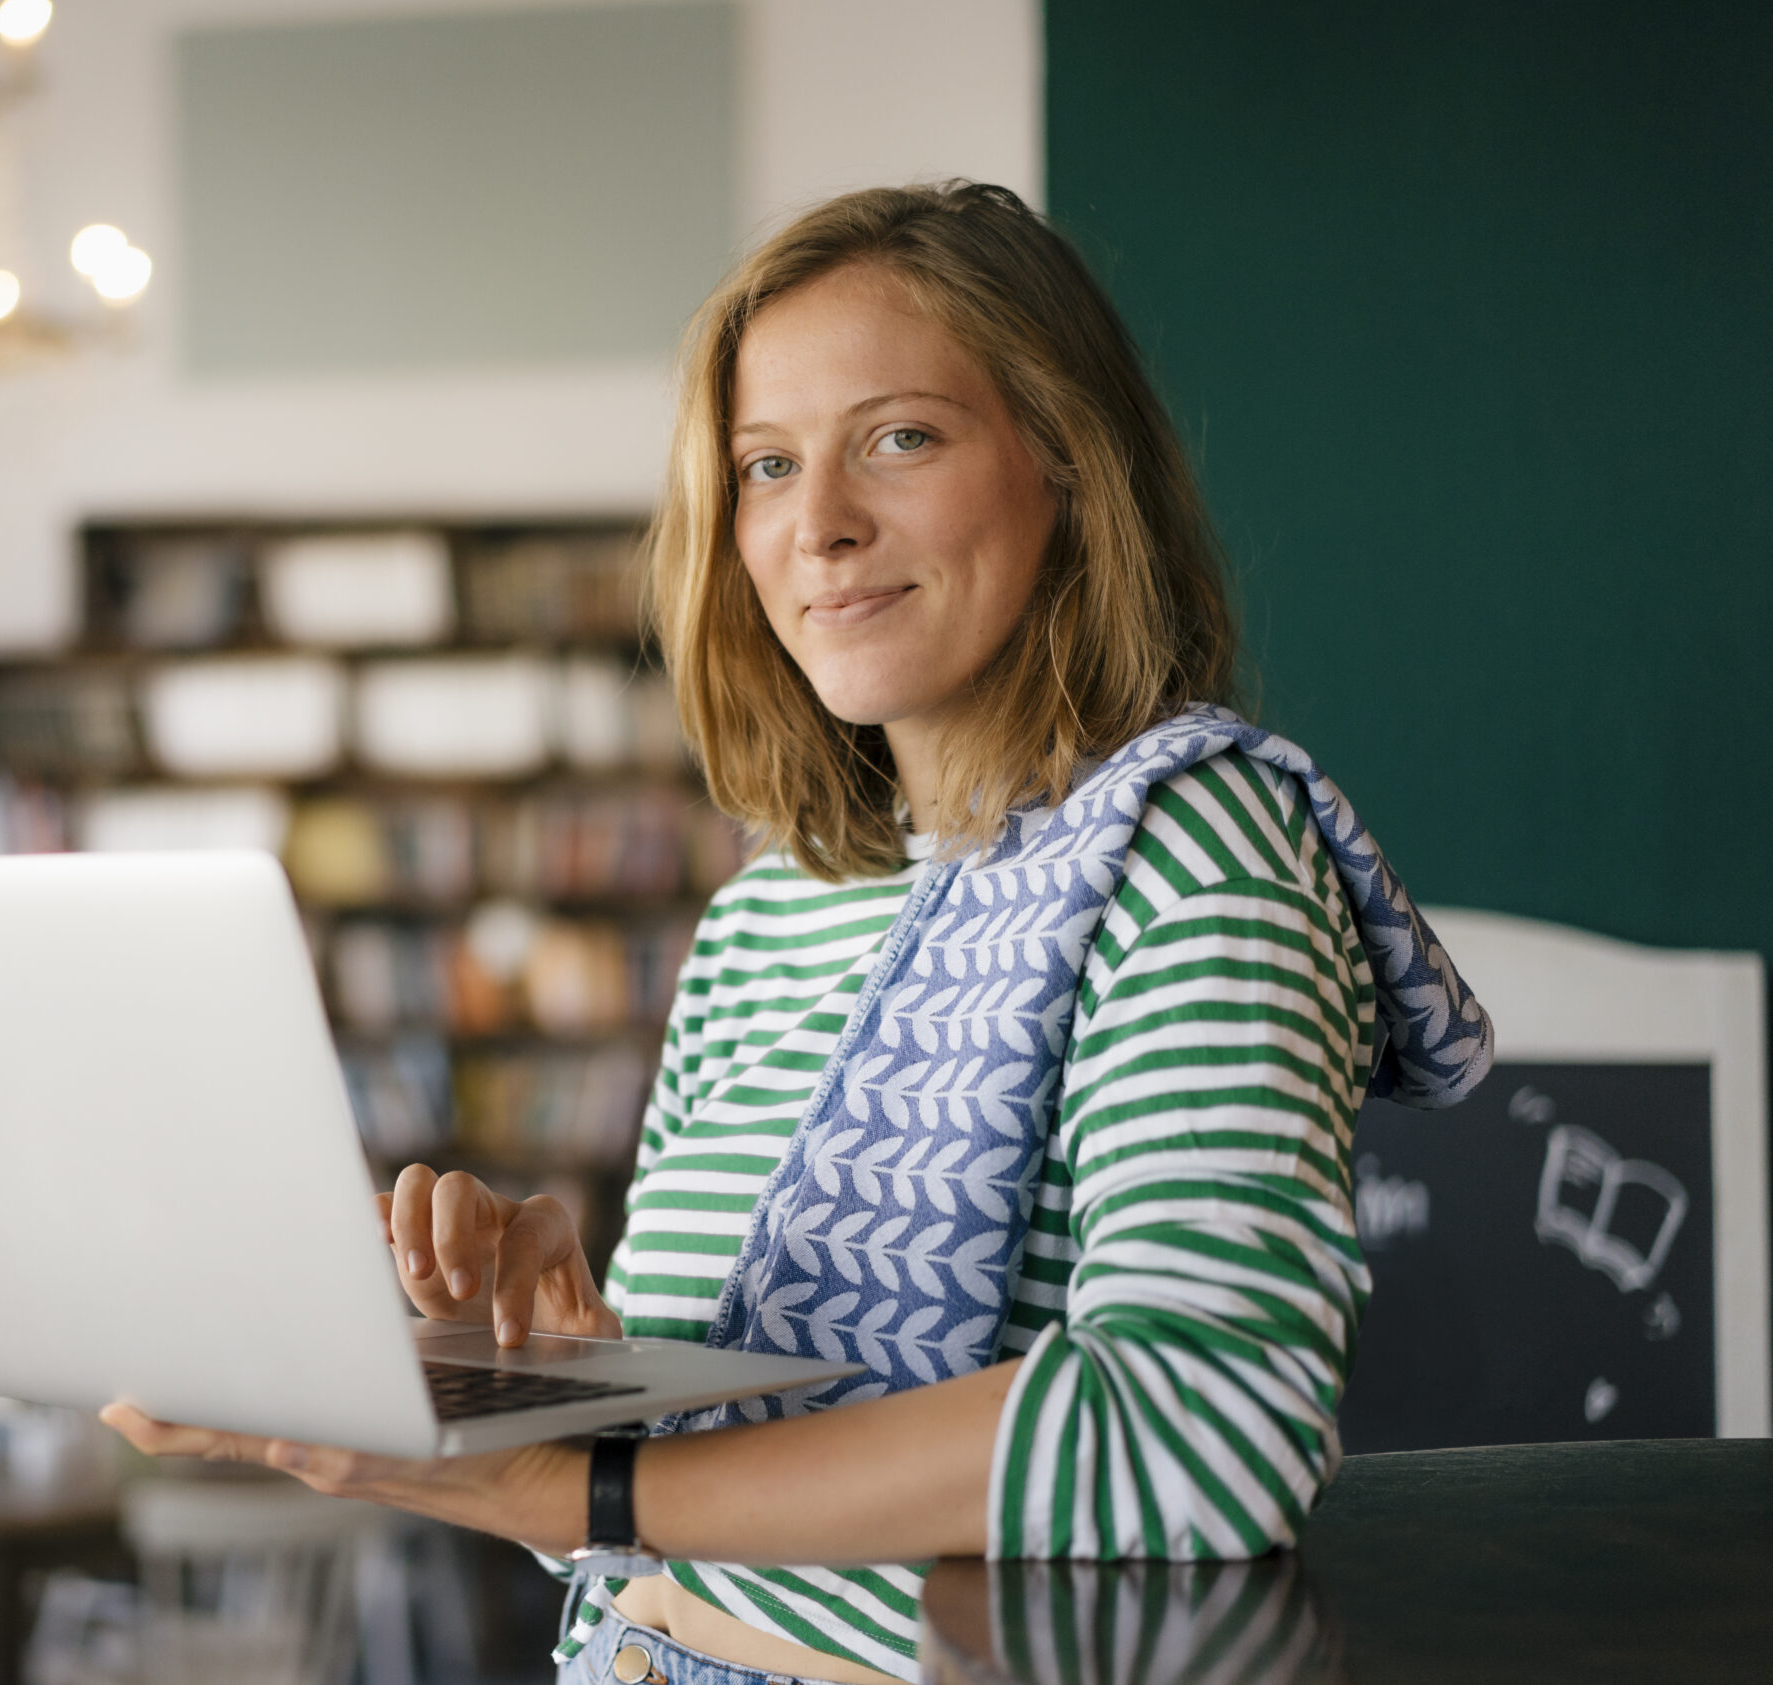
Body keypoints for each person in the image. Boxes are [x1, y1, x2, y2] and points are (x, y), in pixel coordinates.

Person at [102, 182, 1492, 1685]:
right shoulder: (768, 907)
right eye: (767, 465)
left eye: (899, 436)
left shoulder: (1200, 844)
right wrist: (569, 1374)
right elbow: (672, 1514)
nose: (820, 525)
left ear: (1070, 468)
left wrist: (588, 1481)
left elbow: (1198, 1429)